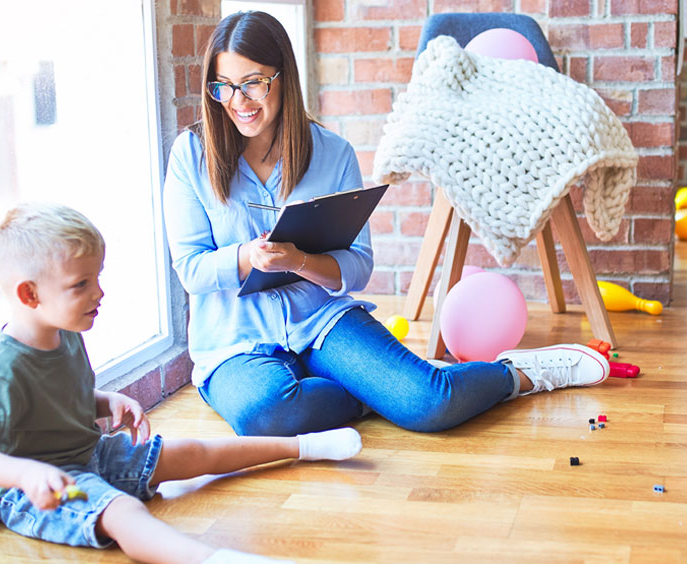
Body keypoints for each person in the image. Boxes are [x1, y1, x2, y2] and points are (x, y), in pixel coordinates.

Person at [162, 11, 610, 438]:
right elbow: (191, 269)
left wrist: (299, 260)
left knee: (429, 403)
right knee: (263, 413)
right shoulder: (191, 154)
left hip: (320, 322)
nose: (238, 102)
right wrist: (246, 257)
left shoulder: (332, 153)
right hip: (234, 344)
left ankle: (521, 374)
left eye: (254, 84)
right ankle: (377, 393)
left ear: (283, 77)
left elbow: (357, 267)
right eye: (224, 86)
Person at [0, 202, 363, 564]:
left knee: (190, 452)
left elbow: (57, 398)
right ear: (30, 294)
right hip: (42, 487)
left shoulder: (64, 331)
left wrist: (104, 401)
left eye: (97, 277)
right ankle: (211, 559)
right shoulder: (2, 369)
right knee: (121, 512)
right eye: (81, 284)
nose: (99, 292)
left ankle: (303, 446)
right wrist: (27, 476)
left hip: (87, 454)